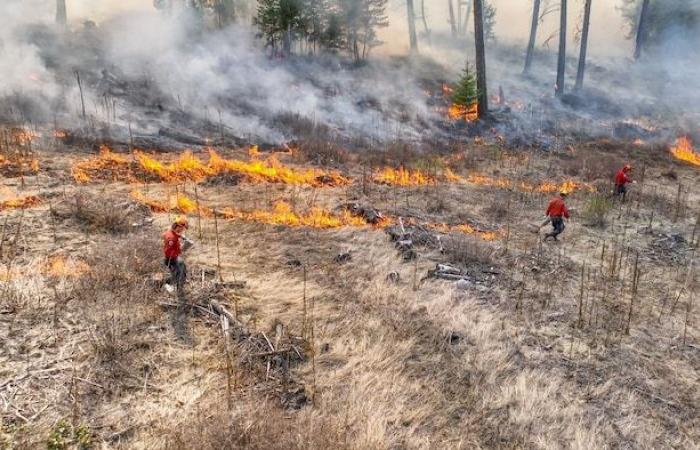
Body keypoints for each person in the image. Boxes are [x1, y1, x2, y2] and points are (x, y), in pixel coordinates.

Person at [163, 216, 192, 295]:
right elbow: (169, 252)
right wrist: (181, 250)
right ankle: (178, 290)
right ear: (178, 226)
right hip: (171, 259)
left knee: (182, 270)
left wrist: (181, 237)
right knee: (179, 273)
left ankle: (177, 287)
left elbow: (173, 233)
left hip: (174, 257)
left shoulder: (171, 231)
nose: (183, 230)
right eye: (182, 228)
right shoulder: (171, 238)